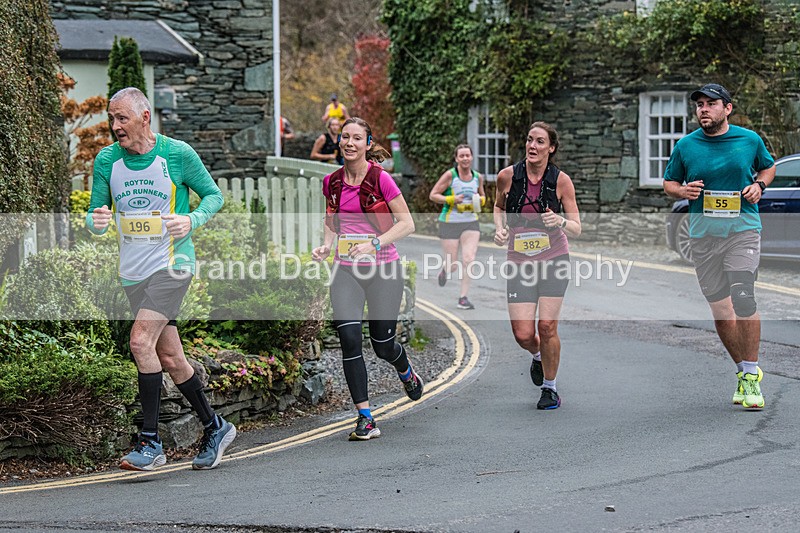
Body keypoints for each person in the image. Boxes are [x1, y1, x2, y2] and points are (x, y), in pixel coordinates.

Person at [87, 87, 236, 470]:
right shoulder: (107, 160)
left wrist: (192, 219)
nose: (115, 125)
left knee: (140, 341)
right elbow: (95, 215)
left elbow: (213, 197)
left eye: (122, 118)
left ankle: (151, 443)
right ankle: (215, 426)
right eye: (112, 118)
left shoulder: (177, 154)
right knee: (169, 355)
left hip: (173, 263)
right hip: (133, 272)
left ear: (145, 117)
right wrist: (96, 221)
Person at [663, 83, 775, 409]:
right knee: (722, 312)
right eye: (699, 104)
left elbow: (768, 166)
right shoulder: (686, 146)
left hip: (743, 230)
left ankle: (752, 378)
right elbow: (669, 182)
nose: (703, 109)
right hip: (703, 236)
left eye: (711, 103)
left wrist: (759, 185)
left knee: (743, 296)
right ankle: (742, 370)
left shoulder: (748, 140)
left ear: (727, 108)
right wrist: (681, 191)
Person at [311, 117, 422, 440]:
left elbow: (407, 224)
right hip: (345, 270)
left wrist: (373, 243)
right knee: (348, 340)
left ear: (368, 143)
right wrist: (326, 246)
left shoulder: (381, 179)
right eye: (345, 137)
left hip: (383, 269)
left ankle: (405, 370)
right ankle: (365, 416)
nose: (349, 143)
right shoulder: (331, 182)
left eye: (356, 138)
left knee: (383, 345)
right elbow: (332, 220)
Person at [493, 122, 581, 410]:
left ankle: (550, 388)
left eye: (540, 142)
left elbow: (577, 227)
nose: (533, 146)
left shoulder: (561, 181)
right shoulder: (507, 176)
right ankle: (538, 356)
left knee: (546, 326)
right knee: (522, 334)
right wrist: (499, 229)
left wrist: (561, 221)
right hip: (519, 262)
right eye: (530, 140)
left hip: (554, 259)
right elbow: (498, 207)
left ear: (551, 148)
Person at [429, 144, 485, 309]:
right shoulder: (450, 175)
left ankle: (463, 297)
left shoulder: (478, 177)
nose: (465, 158)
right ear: (456, 159)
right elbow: (433, 195)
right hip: (450, 222)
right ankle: (445, 270)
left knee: (469, 259)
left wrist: (480, 200)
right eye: (462, 156)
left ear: (472, 157)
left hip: (470, 221)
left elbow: (482, 196)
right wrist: (451, 200)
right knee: (453, 264)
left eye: (468, 155)